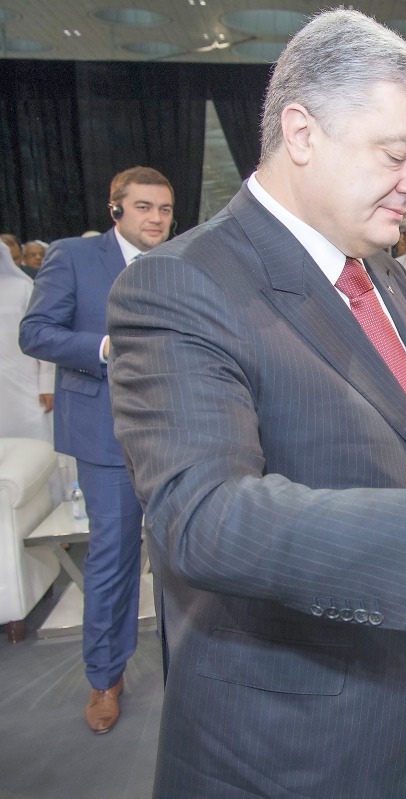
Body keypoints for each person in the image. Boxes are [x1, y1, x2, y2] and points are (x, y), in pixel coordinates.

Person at [103, 11, 406, 797]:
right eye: (397, 153)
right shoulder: (182, 284)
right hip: (292, 755)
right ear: (301, 132)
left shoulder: (381, 273)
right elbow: (202, 519)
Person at [20, 165, 175, 734]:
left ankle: (183, 670)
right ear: (116, 210)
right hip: (105, 435)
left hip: (176, 433)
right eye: (143, 207)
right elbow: (36, 332)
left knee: (181, 558)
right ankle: (105, 679)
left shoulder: (179, 260)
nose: (156, 218)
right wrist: (104, 346)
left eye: (164, 209)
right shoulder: (73, 257)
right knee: (113, 560)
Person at [0, 243, 53, 442]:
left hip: (26, 385)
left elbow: (41, 336)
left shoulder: (22, 287)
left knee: (35, 450)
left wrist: (47, 385)